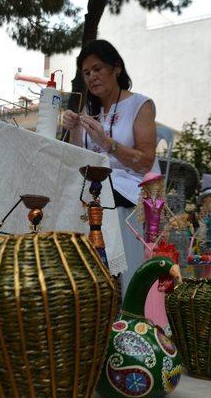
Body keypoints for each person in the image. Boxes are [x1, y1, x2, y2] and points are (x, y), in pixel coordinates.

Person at [61, 39, 158, 293]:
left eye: (97, 69)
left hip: (129, 188)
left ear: (116, 68)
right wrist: (73, 130)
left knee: (98, 195)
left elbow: (145, 161)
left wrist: (107, 143)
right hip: (96, 187)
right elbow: (80, 161)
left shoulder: (140, 105)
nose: (91, 77)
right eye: (86, 73)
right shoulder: (88, 111)